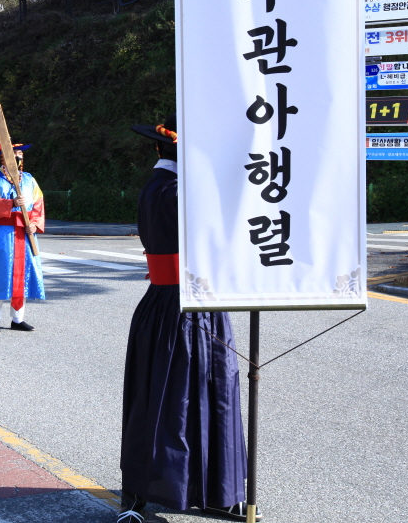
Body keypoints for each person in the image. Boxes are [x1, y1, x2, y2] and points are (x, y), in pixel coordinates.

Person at [117, 115, 251, 523]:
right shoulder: (179, 192)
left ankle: (152, 491)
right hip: (189, 305)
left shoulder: (156, 188)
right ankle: (209, 490)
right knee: (192, 397)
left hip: (163, 304)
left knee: (163, 398)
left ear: (159, 149)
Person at [0, 143, 44, 334]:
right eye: (16, 152)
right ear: (5, 156)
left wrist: (34, 223)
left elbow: (38, 203)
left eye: (21, 152)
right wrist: (11, 202)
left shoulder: (29, 179)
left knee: (22, 276)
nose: (20, 154)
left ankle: (18, 318)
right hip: (3, 233)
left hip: (24, 233)